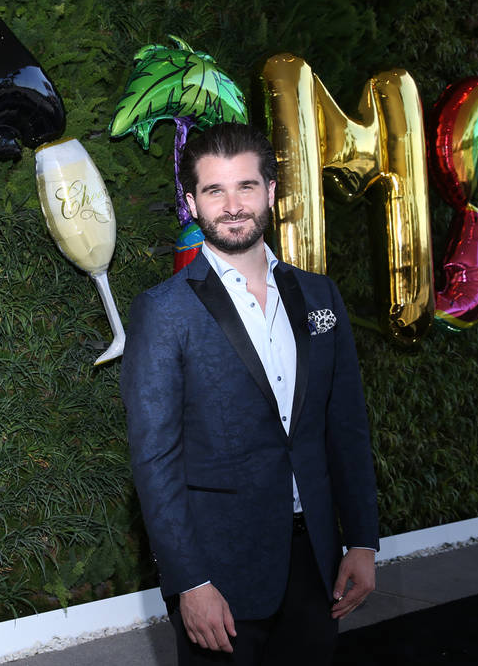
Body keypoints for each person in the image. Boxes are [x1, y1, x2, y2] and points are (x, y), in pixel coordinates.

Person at [120, 122, 379, 665]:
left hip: (317, 563)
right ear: (192, 202)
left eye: (246, 186)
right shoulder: (164, 311)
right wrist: (189, 582)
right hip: (220, 572)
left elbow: (346, 425)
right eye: (214, 190)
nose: (232, 205)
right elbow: (155, 462)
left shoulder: (319, 294)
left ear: (272, 192)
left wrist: (361, 540)